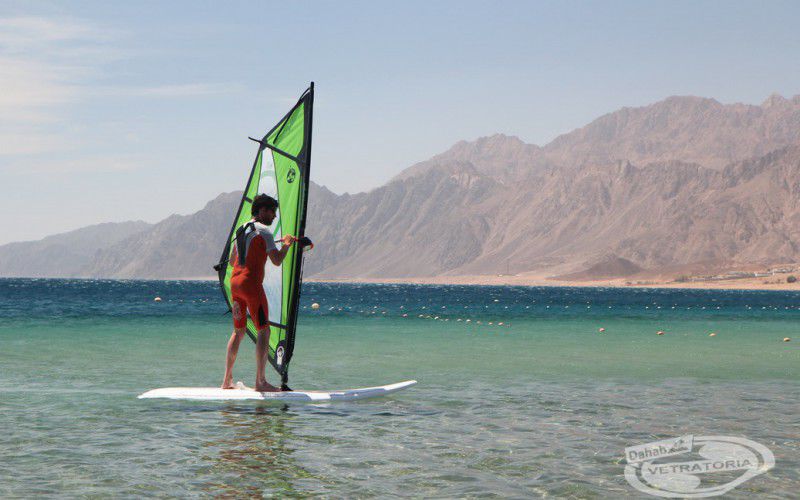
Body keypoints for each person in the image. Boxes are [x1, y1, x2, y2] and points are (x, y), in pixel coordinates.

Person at [222, 194, 295, 391]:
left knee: (238, 331)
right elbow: (277, 260)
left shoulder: (241, 229)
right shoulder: (264, 231)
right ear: (262, 211)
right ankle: (260, 382)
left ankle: (226, 380)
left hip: (235, 283)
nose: (274, 216)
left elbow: (232, 261)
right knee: (264, 330)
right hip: (251, 285)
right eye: (272, 212)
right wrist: (287, 245)